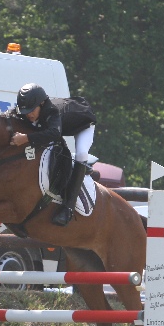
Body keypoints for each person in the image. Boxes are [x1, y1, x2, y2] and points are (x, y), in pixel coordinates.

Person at [10, 82, 97, 226]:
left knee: (81, 153)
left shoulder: (52, 112)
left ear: (42, 104)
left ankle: (68, 208)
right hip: (62, 124)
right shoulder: (28, 111)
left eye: (32, 110)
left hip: (84, 124)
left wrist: (26, 138)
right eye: (25, 111)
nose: (28, 114)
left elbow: (55, 134)